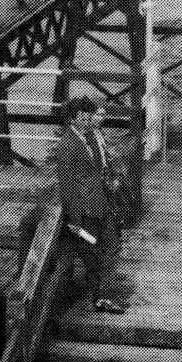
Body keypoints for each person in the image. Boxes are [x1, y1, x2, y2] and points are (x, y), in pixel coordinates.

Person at [54, 97, 126, 313]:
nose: (88, 121)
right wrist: (75, 221)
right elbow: (67, 186)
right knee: (92, 251)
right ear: (73, 120)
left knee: (112, 246)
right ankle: (101, 297)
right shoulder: (67, 146)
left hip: (100, 205)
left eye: (88, 117)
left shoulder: (89, 138)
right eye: (84, 118)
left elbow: (98, 168)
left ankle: (102, 292)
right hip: (84, 213)